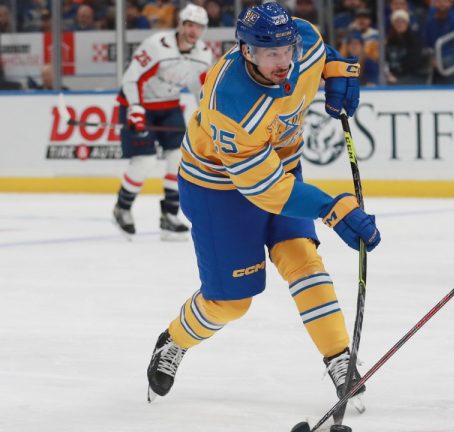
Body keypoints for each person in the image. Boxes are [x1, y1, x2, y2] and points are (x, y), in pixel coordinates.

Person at [144, 2, 380, 414]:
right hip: (217, 187)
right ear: (247, 50)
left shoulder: (302, 40)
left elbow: (322, 57)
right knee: (232, 302)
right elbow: (267, 191)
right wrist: (331, 207)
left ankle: (339, 357)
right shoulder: (230, 102)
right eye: (271, 54)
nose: (284, 62)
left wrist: (337, 69)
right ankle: (174, 341)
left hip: (281, 165)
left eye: (287, 50)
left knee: (302, 257)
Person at [112, 4, 212, 240]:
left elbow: (200, 89)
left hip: (169, 106)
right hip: (138, 105)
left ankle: (169, 215)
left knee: (178, 159)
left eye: (198, 27)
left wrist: (208, 115)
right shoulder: (157, 45)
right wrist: (135, 108)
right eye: (189, 24)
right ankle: (122, 208)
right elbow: (131, 77)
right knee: (144, 161)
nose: (192, 31)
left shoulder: (204, 53)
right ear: (180, 24)